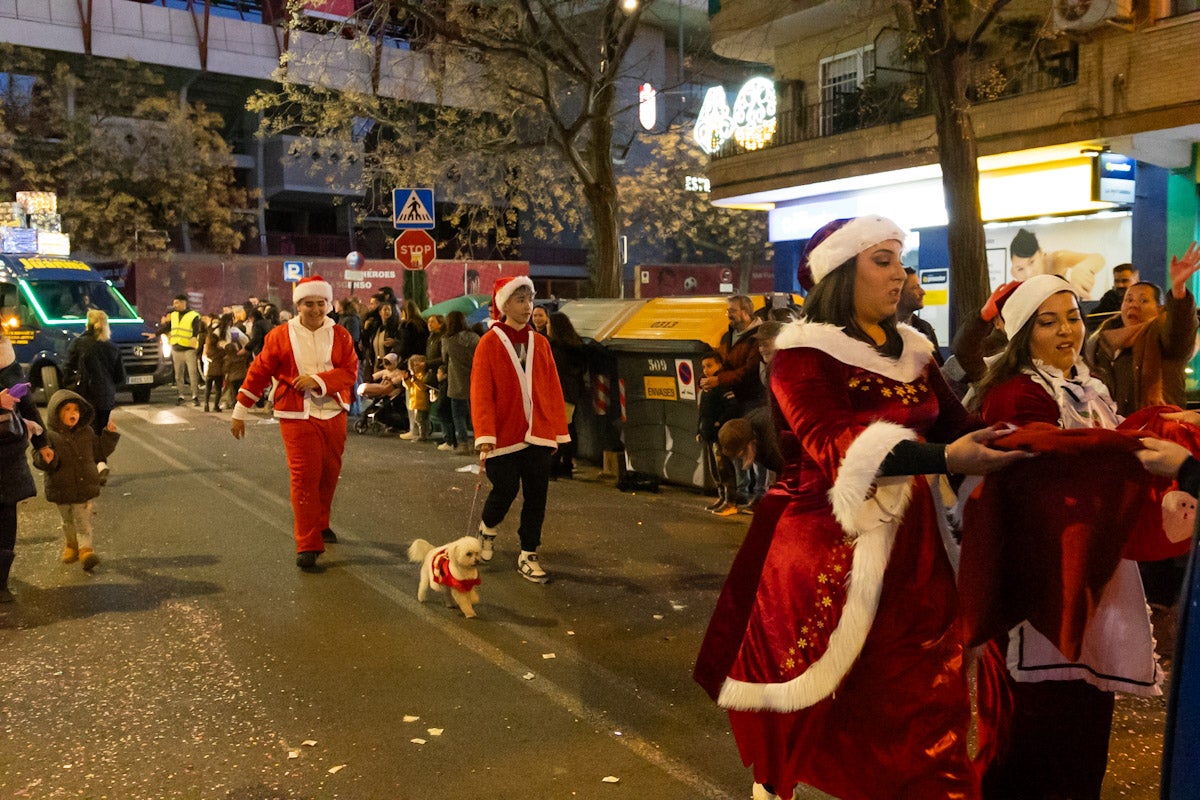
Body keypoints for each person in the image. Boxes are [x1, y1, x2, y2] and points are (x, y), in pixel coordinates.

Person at [693, 215, 1025, 800]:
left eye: (900, 260)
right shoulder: (804, 355)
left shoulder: (915, 351)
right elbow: (833, 445)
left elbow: (958, 427)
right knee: (840, 702)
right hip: (829, 549)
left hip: (919, 552)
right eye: (884, 260)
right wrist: (947, 457)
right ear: (842, 273)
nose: (901, 274)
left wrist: (1030, 437)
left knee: (928, 693)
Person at [965, 272, 1200, 799]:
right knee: (1027, 740)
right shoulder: (1013, 393)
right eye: (1048, 322)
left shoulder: (1090, 386)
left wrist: (1163, 426)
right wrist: (1143, 446)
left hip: (1093, 572)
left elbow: (1107, 445)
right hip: (1037, 585)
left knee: (1084, 729)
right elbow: (1053, 458)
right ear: (1023, 332)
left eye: (1072, 317)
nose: (1066, 331)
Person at [229, 276, 358, 572]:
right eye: (308, 303)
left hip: (333, 412)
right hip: (296, 415)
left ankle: (321, 522)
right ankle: (308, 544)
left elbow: (350, 371)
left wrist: (319, 381)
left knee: (329, 473)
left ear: (328, 304)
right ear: (299, 305)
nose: (315, 309)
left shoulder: (340, 335)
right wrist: (241, 409)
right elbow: (259, 371)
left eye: (320, 303)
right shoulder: (280, 335)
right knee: (304, 477)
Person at [471, 276, 569, 583]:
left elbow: (552, 386)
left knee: (537, 495)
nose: (527, 307)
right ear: (504, 305)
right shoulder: (488, 342)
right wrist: (485, 435)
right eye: (520, 300)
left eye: (530, 300)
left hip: (537, 432)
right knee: (505, 489)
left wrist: (555, 429)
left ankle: (529, 552)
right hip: (503, 433)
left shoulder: (540, 343)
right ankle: (487, 528)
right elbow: (481, 390)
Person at [1085, 254, 1200, 416]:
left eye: (1143, 300)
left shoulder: (1165, 337)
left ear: (1159, 309)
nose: (1134, 305)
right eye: (1129, 300)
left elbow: (1181, 329)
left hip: (1160, 428)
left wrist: (1179, 288)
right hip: (1115, 429)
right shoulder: (1103, 341)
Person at [31, 390, 120, 572]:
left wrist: (109, 436)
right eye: (67, 410)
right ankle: (72, 545)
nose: (73, 414)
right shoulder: (49, 437)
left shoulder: (86, 432)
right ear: (56, 413)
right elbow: (40, 457)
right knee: (68, 521)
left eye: (76, 410)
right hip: (61, 488)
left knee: (83, 520)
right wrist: (46, 458)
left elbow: (99, 451)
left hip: (83, 486)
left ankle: (86, 550)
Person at [0, 331, 52, 602]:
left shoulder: (7, 357)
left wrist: (42, 442)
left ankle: (1, 582)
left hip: (8, 452)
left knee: (7, 514)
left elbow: (27, 404)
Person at [64, 309, 126, 484]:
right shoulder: (112, 347)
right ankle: (99, 464)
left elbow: (67, 368)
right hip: (106, 396)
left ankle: (97, 465)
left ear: (88, 324)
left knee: (86, 432)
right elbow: (120, 377)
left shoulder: (79, 343)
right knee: (99, 431)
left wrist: (69, 386)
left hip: (85, 395)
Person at [701, 294, 764, 414]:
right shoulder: (732, 333)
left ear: (745, 313)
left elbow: (750, 371)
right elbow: (726, 363)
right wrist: (706, 379)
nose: (729, 315)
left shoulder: (758, 336)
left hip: (752, 401)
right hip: (734, 397)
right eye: (728, 311)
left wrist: (719, 379)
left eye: (733, 311)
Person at [697, 350, 740, 516]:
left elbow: (732, 406)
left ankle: (731, 501)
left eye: (710, 366)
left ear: (719, 365)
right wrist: (698, 429)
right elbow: (702, 412)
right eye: (704, 367)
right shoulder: (706, 387)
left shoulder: (721, 386)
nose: (706, 370)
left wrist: (718, 422)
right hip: (708, 434)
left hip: (719, 435)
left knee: (725, 468)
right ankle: (722, 497)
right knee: (715, 470)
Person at [547, 311, 587, 479]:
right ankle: (567, 464)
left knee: (558, 430)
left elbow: (554, 373)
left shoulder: (557, 349)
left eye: (549, 323)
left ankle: (554, 467)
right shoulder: (576, 345)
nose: (547, 326)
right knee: (568, 428)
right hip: (572, 393)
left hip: (561, 393)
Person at [441, 310, 479, 456]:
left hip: (456, 380)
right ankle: (479, 443)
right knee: (475, 413)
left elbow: (444, 358)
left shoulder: (448, 340)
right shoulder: (475, 337)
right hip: (474, 379)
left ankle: (463, 443)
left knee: (458, 414)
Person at [159, 294, 202, 406]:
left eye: (177, 303)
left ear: (184, 303)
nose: (174, 305)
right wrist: (154, 334)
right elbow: (167, 328)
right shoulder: (173, 315)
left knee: (192, 373)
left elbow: (196, 329)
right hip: (176, 348)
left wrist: (194, 337)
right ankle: (181, 395)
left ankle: (195, 396)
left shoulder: (193, 315)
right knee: (178, 374)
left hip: (189, 348)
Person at [897, 267, 943, 365]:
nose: (923, 292)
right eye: (915, 287)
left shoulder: (925, 328)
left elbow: (938, 369)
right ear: (897, 293)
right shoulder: (877, 330)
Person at [1087, 262, 1138, 330]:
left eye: (1124, 281)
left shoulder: (1146, 297)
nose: (1120, 285)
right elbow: (1092, 320)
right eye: (1116, 281)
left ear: (1136, 280)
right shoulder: (1110, 297)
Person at [400, 354, 431, 441]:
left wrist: (415, 380)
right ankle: (421, 434)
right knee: (418, 419)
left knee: (420, 420)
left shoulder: (423, 376)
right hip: (415, 402)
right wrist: (406, 379)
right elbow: (408, 386)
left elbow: (423, 387)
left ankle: (423, 435)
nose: (415, 367)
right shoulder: (415, 376)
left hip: (422, 401)